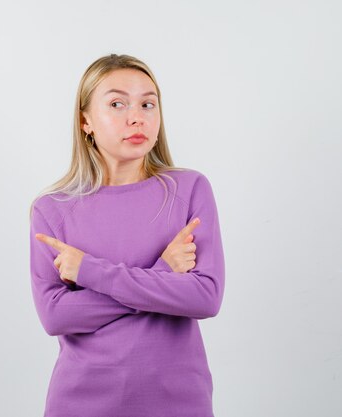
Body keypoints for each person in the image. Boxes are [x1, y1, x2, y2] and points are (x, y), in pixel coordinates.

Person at [28, 53, 225, 417]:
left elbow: (205, 297)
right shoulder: (52, 209)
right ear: (85, 120)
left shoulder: (189, 189)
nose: (137, 116)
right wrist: (163, 276)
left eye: (148, 104)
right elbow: (56, 317)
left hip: (178, 402)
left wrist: (90, 272)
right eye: (117, 103)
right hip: (82, 402)